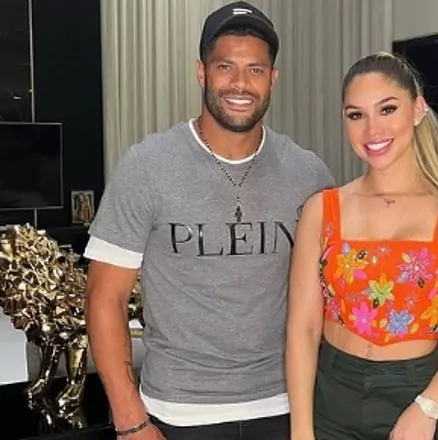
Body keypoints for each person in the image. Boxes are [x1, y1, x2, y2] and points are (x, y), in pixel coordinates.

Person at [83, 2, 335, 439]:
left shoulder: (308, 174)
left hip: (287, 405)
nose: (240, 83)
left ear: (273, 78)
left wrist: (418, 344)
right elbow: (104, 298)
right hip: (179, 413)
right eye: (225, 66)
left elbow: (337, 291)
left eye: (255, 69)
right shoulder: (146, 167)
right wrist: (130, 420)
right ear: (202, 72)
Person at [285, 52, 438, 440]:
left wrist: (428, 406)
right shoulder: (322, 209)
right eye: (356, 115)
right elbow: (303, 328)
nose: (372, 130)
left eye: (387, 109)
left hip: (420, 394)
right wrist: (301, 432)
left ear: (417, 109)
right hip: (332, 399)